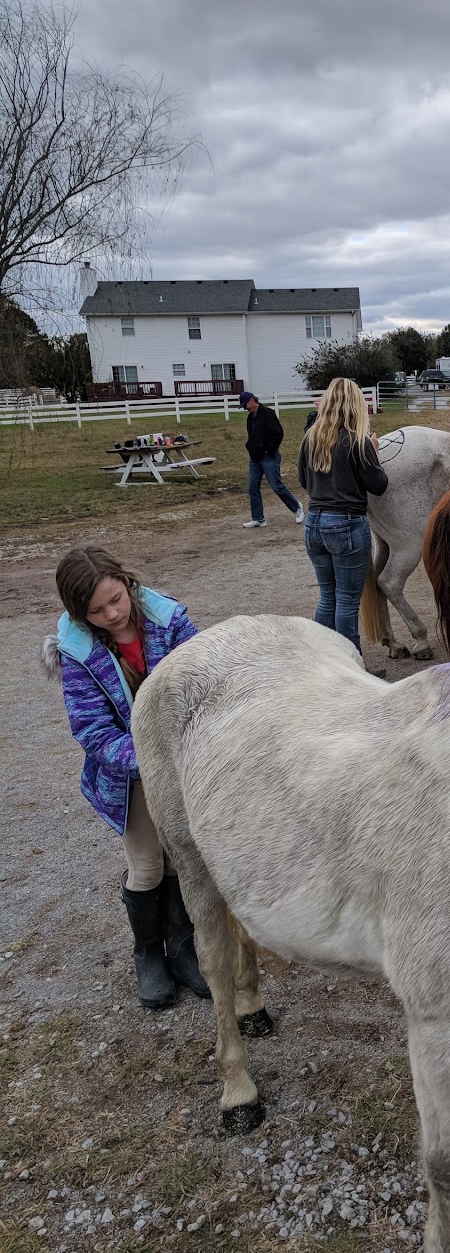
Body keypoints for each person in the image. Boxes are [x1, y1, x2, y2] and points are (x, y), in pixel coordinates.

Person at [41, 547, 210, 1009]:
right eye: (95, 611)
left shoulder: (170, 621)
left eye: (115, 599)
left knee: (179, 857)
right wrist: (150, 760)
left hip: (181, 763)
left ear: (127, 583)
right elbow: (92, 729)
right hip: (129, 775)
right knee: (148, 863)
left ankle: (182, 948)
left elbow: (205, 679)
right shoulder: (77, 651)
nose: (111, 614)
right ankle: (148, 954)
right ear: (79, 613)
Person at [298, 377, 388, 651]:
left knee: (328, 598)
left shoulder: (310, 437)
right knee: (348, 602)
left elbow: (303, 481)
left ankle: (323, 661)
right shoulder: (357, 441)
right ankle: (351, 665)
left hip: (314, 523)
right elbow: (379, 485)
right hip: (347, 525)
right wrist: (374, 453)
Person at [241, 390, 304, 528]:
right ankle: (258, 518)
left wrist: (268, 449)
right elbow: (252, 436)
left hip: (269, 457)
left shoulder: (268, 413)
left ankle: (297, 507)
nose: (245, 408)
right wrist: (251, 447)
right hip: (255, 458)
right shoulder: (250, 417)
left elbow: (278, 433)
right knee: (252, 487)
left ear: (252, 401)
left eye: (245, 404)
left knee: (276, 486)